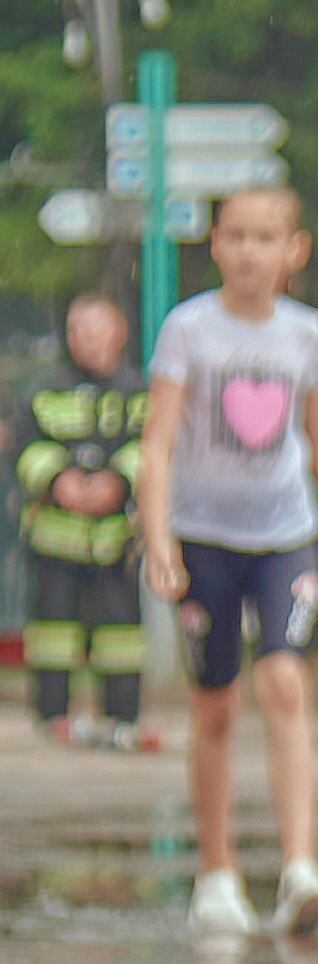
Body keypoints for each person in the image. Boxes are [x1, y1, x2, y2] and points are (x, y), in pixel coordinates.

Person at [137, 188, 318, 934]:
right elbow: (159, 441)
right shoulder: (189, 330)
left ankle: (300, 866)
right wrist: (158, 538)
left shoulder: (307, 334)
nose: (250, 251)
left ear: (293, 250)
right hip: (204, 537)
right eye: (236, 235)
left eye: (266, 237)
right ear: (214, 243)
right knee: (216, 703)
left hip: (286, 533)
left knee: (284, 679)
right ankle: (217, 872)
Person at [18, 290, 149, 748]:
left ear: (120, 332)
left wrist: (120, 482)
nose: (84, 339)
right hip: (56, 542)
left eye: (95, 329)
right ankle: (52, 715)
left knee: (121, 635)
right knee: (53, 631)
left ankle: (123, 718)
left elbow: (150, 445)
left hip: (115, 543)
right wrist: (57, 481)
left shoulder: (140, 391)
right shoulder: (44, 389)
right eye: (76, 330)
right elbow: (27, 447)